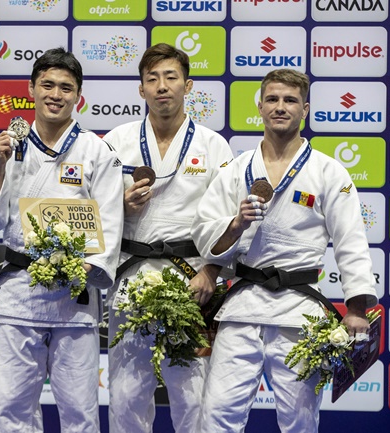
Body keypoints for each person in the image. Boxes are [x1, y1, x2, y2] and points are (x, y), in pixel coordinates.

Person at [192, 68, 378, 432]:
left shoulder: (329, 172)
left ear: (304, 110)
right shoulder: (236, 169)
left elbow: (351, 240)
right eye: (273, 99)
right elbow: (204, 233)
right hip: (242, 308)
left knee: (299, 421)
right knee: (216, 415)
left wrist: (357, 309)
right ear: (260, 107)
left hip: (299, 311)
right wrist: (236, 224)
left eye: (290, 100)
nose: (280, 107)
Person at [0, 47, 124, 433]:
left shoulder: (97, 150)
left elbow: (110, 217)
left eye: (66, 88)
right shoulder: (8, 145)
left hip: (75, 294)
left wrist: (89, 266)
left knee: (80, 409)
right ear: (31, 89)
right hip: (21, 290)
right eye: (48, 85)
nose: (56, 95)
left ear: (79, 96)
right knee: (14, 406)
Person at [102, 43, 234, 433]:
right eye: (152, 78)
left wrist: (211, 271)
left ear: (187, 85)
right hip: (131, 278)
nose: (162, 86)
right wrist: (120, 206)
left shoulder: (213, 145)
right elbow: (91, 210)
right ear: (141, 89)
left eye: (171, 77)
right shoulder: (116, 140)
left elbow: (230, 220)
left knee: (193, 396)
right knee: (126, 397)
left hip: (191, 281)